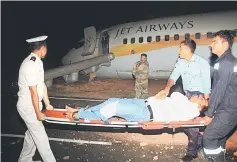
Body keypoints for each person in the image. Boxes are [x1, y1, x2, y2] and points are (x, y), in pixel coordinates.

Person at [156, 39, 211, 161]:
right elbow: (173, 76)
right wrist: (167, 88)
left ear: (187, 49)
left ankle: (192, 153)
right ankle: (199, 143)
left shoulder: (202, 63)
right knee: (187, 123)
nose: (178, 51)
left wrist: (205, 102)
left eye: (180, 48)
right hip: (187, 95)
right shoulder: (180, 62)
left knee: (191, 125)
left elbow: (207, 84)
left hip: (199, 96)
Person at [16, 35, 56, 162]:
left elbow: (41, 84)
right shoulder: (30, 64)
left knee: (31, 135)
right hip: (28, 107)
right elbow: (33, 91)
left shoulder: (38, 62)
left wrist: (47, 103)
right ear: (43, 48)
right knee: (41, 138)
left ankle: (24, 160)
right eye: (46, 48)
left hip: (34, 105)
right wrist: (38, 113)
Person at [201, 30, 237, 162]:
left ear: (225, 44)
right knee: (220, 138)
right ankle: (220, 156)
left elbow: (218, 90)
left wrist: (209, 114)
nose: (211, 44)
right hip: (230, 107)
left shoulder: (225, 63)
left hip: (229, 109)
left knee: (209, 137)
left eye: (215, 41)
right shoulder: (227, 61)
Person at [65, 92, 208, 123]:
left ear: (200, 102)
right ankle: (82, 111)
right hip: (144, 104)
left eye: (198, 96)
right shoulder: (188, 104)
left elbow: (176, 94)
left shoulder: (190, 109)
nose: (193, 95)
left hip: (145, 113)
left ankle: (78, 115)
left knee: (111, 108)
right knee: (111, 100)